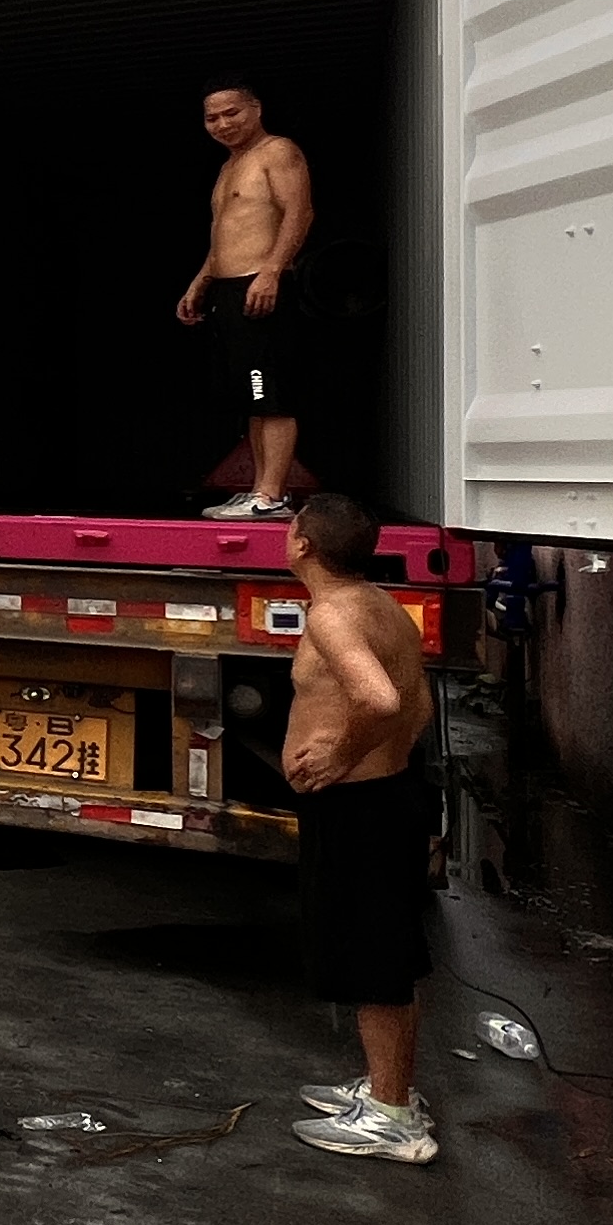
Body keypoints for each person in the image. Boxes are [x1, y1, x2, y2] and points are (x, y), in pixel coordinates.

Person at [280, 492, 442, 1164]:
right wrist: (384, 758)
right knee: (389, 954)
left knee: (375, 960)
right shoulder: (380, 604)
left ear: (303, 547)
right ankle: (388, 1087)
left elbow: (381, 699)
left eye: (290, 528)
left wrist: (343, 756)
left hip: (362, 807)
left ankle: (392, 1118)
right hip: (390, 795)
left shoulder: (333, 616)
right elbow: (420, 704)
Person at [173, 80, 312, 518]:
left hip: (262, 284)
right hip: (229, 289)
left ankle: (272, 496)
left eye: (231, 113)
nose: (222, 124)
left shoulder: (278, 151)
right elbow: (225, 236)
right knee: (251, 397)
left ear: (255, 109)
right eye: (212, 118)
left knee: (269, 392)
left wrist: (271, 271)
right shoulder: (230, 166)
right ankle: (259, 490)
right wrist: (199, 283)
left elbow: (300, 212)